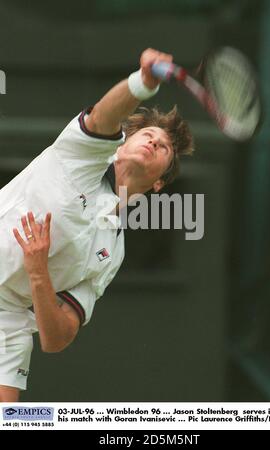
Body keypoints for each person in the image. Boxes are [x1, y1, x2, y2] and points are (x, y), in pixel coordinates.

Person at [0, 48, 193, 402]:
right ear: (120, 145)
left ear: (159, 184)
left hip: (7, 314)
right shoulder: (82, 155)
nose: (154, 141)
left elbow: (56, 339)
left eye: (164, 147)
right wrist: (143, 82)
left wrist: (39, 274)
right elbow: (106, 115)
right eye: (147, 135)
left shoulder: (111, 252)